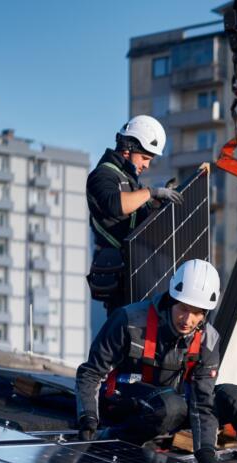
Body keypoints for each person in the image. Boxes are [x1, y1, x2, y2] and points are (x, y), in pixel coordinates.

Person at [75, 258, 237, 463]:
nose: (188, 320)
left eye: (197, 313)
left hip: (171, 406)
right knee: (170, 406)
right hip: (126, 401)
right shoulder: (129, 320)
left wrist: (205, 452)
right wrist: (88, 417)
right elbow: (91, 373)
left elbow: (202, 401)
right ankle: (116, 438)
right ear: (172, 298)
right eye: (184, 309)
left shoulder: (208, 339)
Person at [85, 115, 184, 314]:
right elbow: (115, 205)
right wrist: (151, 192)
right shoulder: (102, 175)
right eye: (145, 158)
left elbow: (137, 220)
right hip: (120, 281)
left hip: (137, 274)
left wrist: (156, 204)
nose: (147, 165)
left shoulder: (129, 181)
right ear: (128, 148)